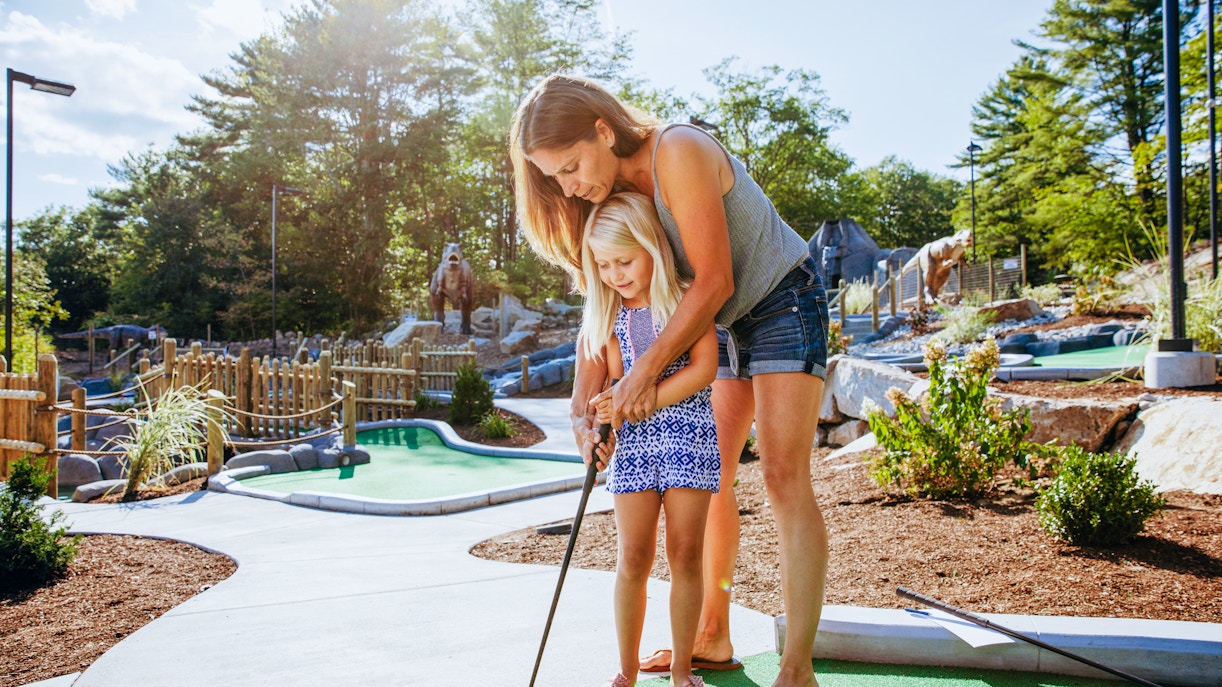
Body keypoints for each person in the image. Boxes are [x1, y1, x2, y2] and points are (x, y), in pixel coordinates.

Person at [510, 74, 830, 687]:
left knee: (783, 474)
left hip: (781, 301)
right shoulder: (605, 196)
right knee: (712, 478)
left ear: (604, 130)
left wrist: (641, 378)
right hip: (715, 323)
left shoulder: (676, 151)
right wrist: (584, 399)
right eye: (556, 178)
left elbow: (713, 282)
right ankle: (712, 634)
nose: (570, 185)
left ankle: (797, 668)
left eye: (572, 166)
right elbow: (598, 305)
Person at [580, 193, 720, 687]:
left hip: (690, 437)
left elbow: (705, 369)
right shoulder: (607, 314)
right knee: (633, 556)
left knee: (685, 553)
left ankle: (683, 670)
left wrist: (644, 397)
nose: (615, 274)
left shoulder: (684, 298)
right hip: (636, 447)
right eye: (603, 264)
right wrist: (602, 416)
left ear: (652, 249)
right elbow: (608, 389)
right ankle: (627, 670)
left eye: (625, 260)